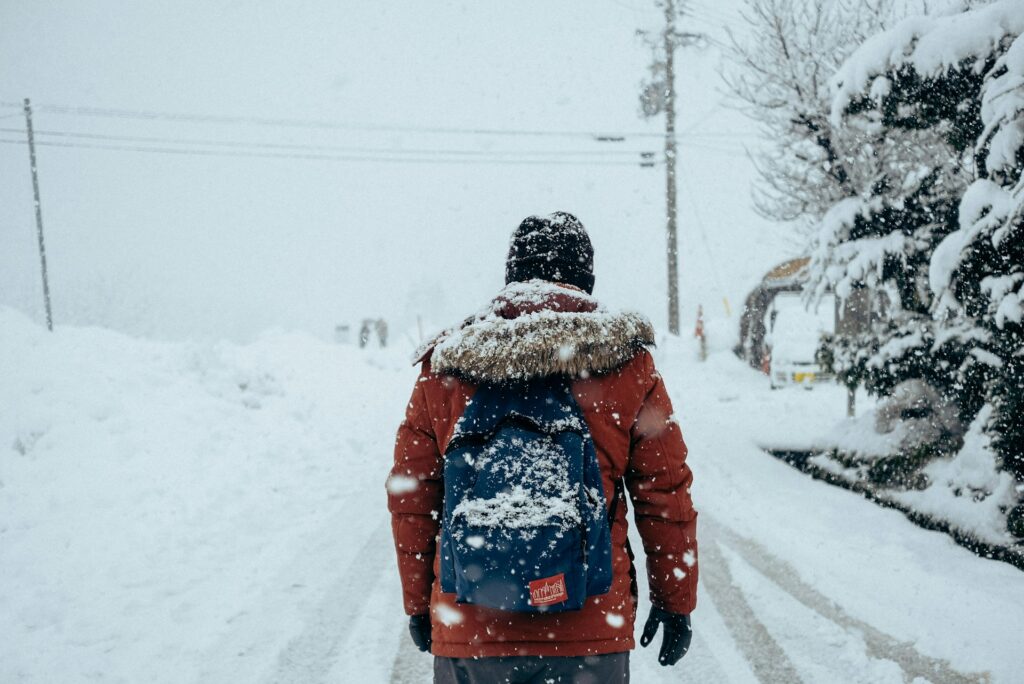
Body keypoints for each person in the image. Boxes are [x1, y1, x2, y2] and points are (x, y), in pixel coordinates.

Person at [386, 212, 698, 683]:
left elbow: (413, 499)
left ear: (511, 276)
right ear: (586, 280)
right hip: (590, 633)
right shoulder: (628, 367)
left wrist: (418, 604)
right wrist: (675, 601)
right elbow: (665, 494)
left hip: (472, 631)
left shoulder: (444, 368)